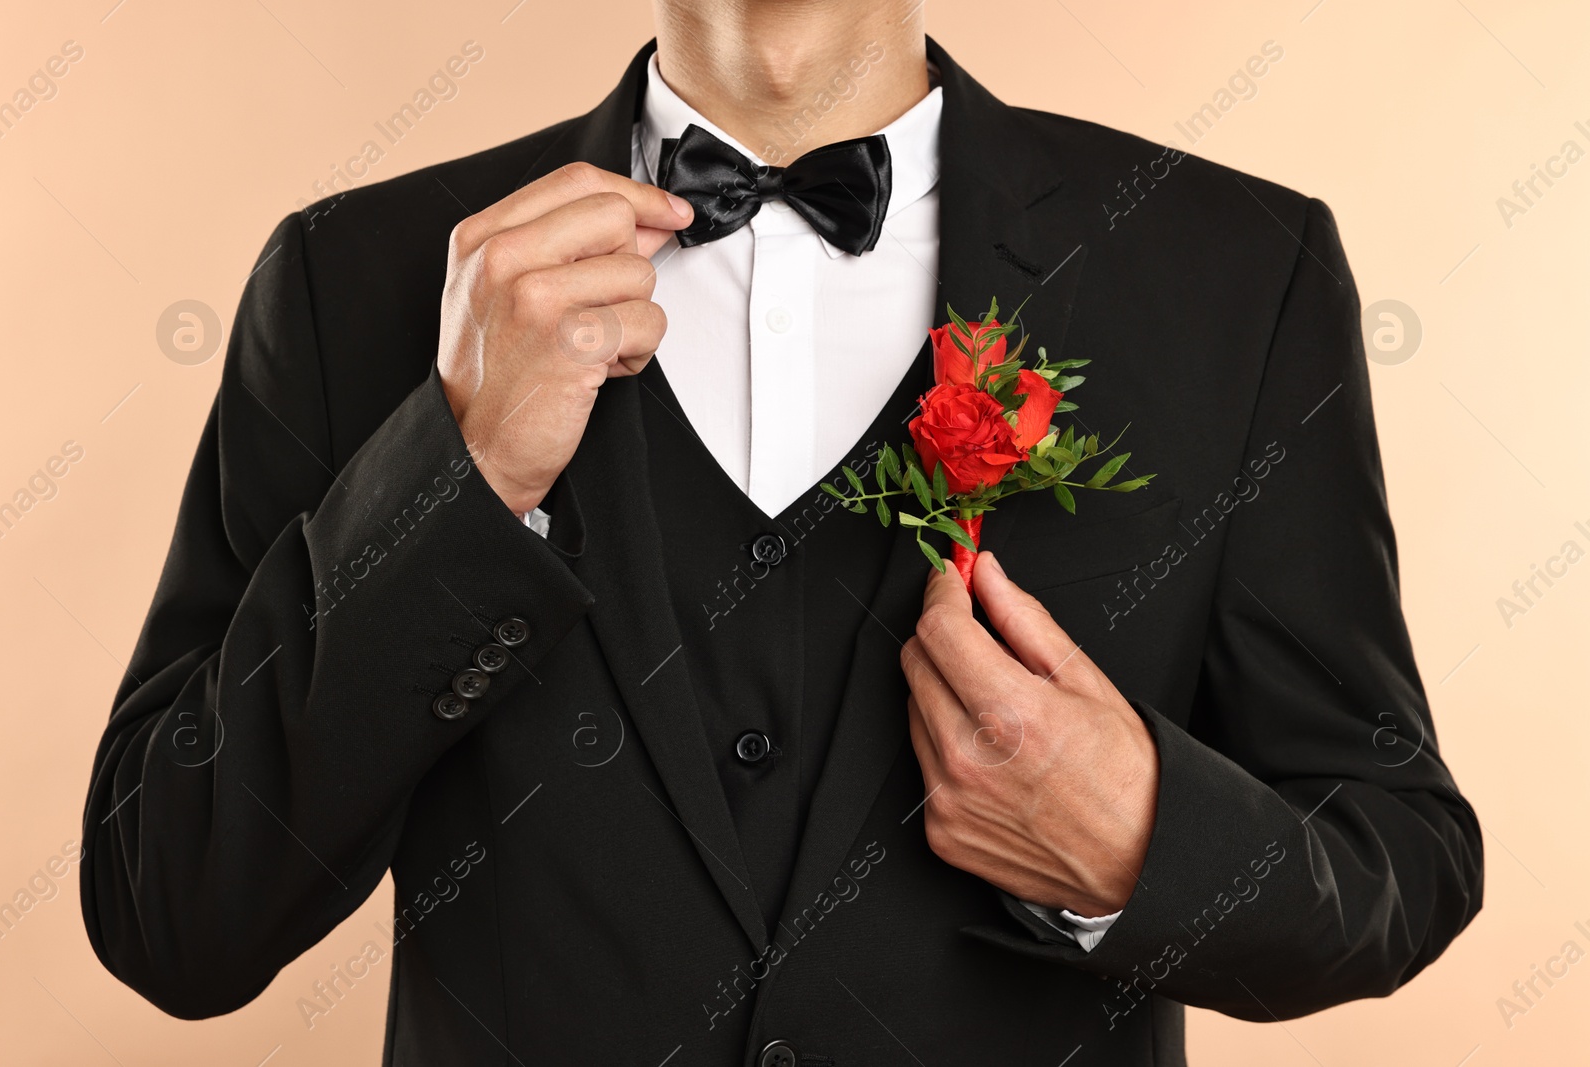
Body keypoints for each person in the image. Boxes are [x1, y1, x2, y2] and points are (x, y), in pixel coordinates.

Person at [80, 3, 1483, 1063]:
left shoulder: (1235, 271)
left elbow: (1397, 857)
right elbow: (171, 912)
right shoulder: (353, 279)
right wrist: (457, 473)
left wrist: (1141, 848)